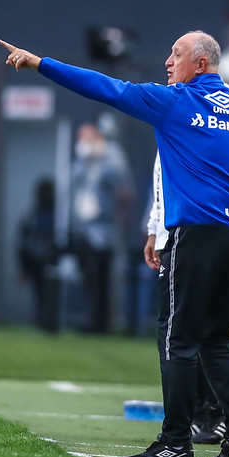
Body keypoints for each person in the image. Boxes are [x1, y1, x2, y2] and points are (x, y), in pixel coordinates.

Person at [0, 31, 229, 457]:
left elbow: (106, 88)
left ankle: (175, 444)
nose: (168, 62)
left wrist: (41, 63)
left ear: (200, 64)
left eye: (176, 54)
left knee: (178, 338)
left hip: (198, 233)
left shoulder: (176, 101)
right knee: (217, 338)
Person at [144, 151, 226, 445]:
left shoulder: (202, 129)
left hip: (198, 233)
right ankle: (194, 414)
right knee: (179, 330)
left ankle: (217, 414)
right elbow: (161, 182)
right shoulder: (169, 129)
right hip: (173, 236)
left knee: (201, 330)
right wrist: (155, 230)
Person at [69, 122, 134, 334]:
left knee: (104, 279)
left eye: (86, 138)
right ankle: (91, 319)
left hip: (105, 231)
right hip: (83, 229)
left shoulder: (111, 158)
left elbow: (124, 190)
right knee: (88, 278)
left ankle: (104, 323)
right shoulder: (81, 162)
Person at [17, 178, 57, 332]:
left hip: (48, 259)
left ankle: (47, 320)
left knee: (47, 293)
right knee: (40, 293)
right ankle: (43, 319)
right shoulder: (34, 215)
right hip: (37, 259)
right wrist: (23, 266)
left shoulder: (55, 215)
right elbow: (24, 241)